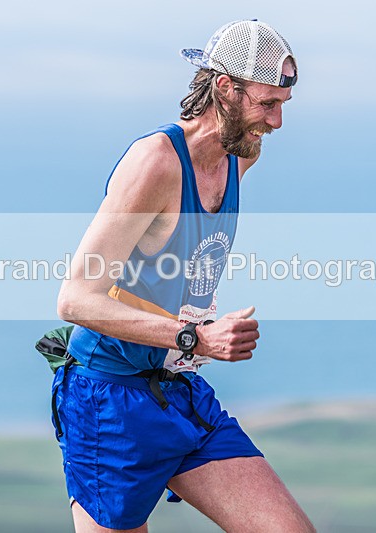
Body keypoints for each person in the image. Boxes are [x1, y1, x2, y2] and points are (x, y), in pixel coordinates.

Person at [54, 19, 315, 533]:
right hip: (110, 400)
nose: (278, 121)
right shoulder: (154, 163)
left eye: (283, 103)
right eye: (267, 104)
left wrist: (192, 339)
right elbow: (75, 299)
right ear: (225, 87)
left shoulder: (242, 156)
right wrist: (196, 336)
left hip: (181, 392)